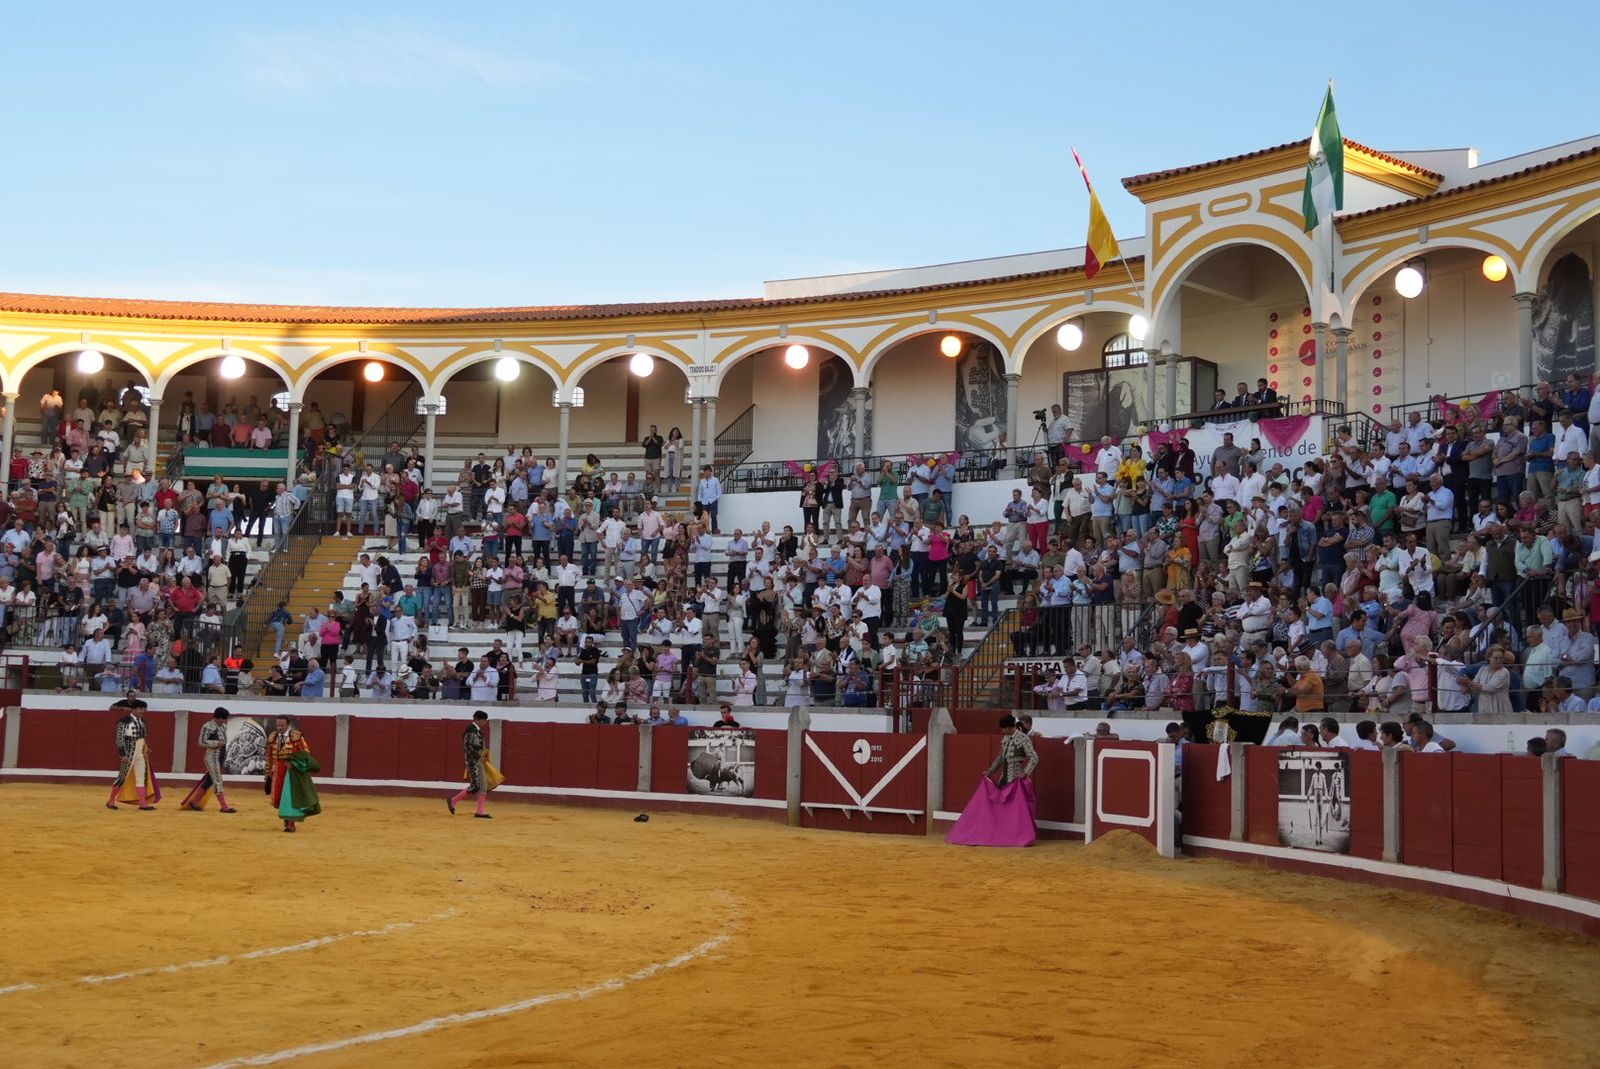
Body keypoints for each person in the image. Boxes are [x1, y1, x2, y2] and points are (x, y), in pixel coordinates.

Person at [945, 713, 1038, 848]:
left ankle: (1017, 836)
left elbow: (1034, 757)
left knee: (1017, 812)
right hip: (1004, 778)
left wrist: (1024, 772)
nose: (1002, 731)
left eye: (1003, 729)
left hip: (1016, 780)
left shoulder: (1023, 738)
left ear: (1008, 727)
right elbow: (1000, 758)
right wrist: (990, 771)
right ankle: (1003, 835)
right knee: (1002, 809)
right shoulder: (1006, 738)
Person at [265, 714, 320, 833]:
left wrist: (293, 763)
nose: (279, 727)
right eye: (277, 725)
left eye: (282, 725)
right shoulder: (273, 737)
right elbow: (269, 756)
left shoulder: (296, 736)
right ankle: (287, 818)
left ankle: (291, 823)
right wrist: (268, 773)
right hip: (278, 771)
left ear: (288, 725)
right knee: (278, 798)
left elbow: (305, 753)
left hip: (292, 771)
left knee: (290, 797)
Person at [106, 696, 161, 810]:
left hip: (140, 753)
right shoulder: (123, 721)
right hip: (128, 753)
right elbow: (119, 739)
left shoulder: (143, 721)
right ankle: (110, 801)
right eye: (139, 709)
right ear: (133, 709)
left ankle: (143, 804)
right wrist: (123, 754)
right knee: (122, 777)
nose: (142, 711)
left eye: (143, 709)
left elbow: (141, 738)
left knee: (141, 778)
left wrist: (146, 747)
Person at [447, 710, 501, 819]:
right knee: (476, 786)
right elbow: (467, 747)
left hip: (478, 761)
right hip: (472, 761)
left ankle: (480, 812)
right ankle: (453, 800)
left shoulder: (476, 730)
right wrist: (478, 756)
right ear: (479, 719)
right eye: (484, 720)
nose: (485, 722)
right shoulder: (470, 730)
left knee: (483, 785)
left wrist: (483, 755)